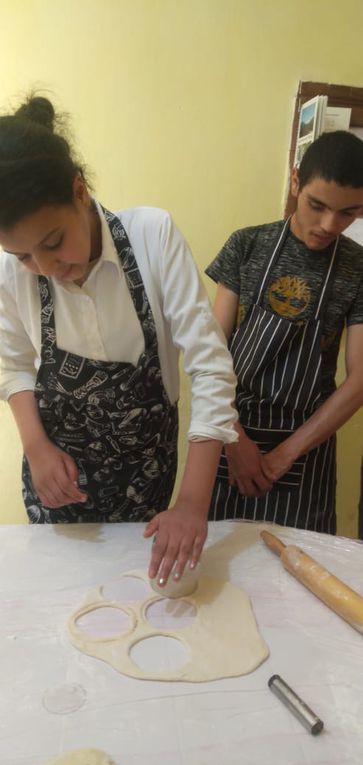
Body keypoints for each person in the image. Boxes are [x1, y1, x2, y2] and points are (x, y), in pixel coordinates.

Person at [0, 95, 238, 584]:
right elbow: (13, 363)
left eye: (52, 242)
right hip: (58, 483)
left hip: (147, 485)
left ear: (80, 192)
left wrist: (191, 503)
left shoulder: (153, 235)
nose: (46, 270)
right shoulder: (8, 273)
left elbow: (210, 367)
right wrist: (36, 447)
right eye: (23, 256)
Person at [206, 130, 363, 533]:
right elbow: (210, 355)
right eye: (317, 205)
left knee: (298, 575)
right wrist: (234, 440)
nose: (330, 225)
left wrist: (284, 455)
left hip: (305, 448)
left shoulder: (358, 267)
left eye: (349, 213)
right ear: (296, 182)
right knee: (217, 569)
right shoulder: (247, 246)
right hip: (229, 430)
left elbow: (360, 380)